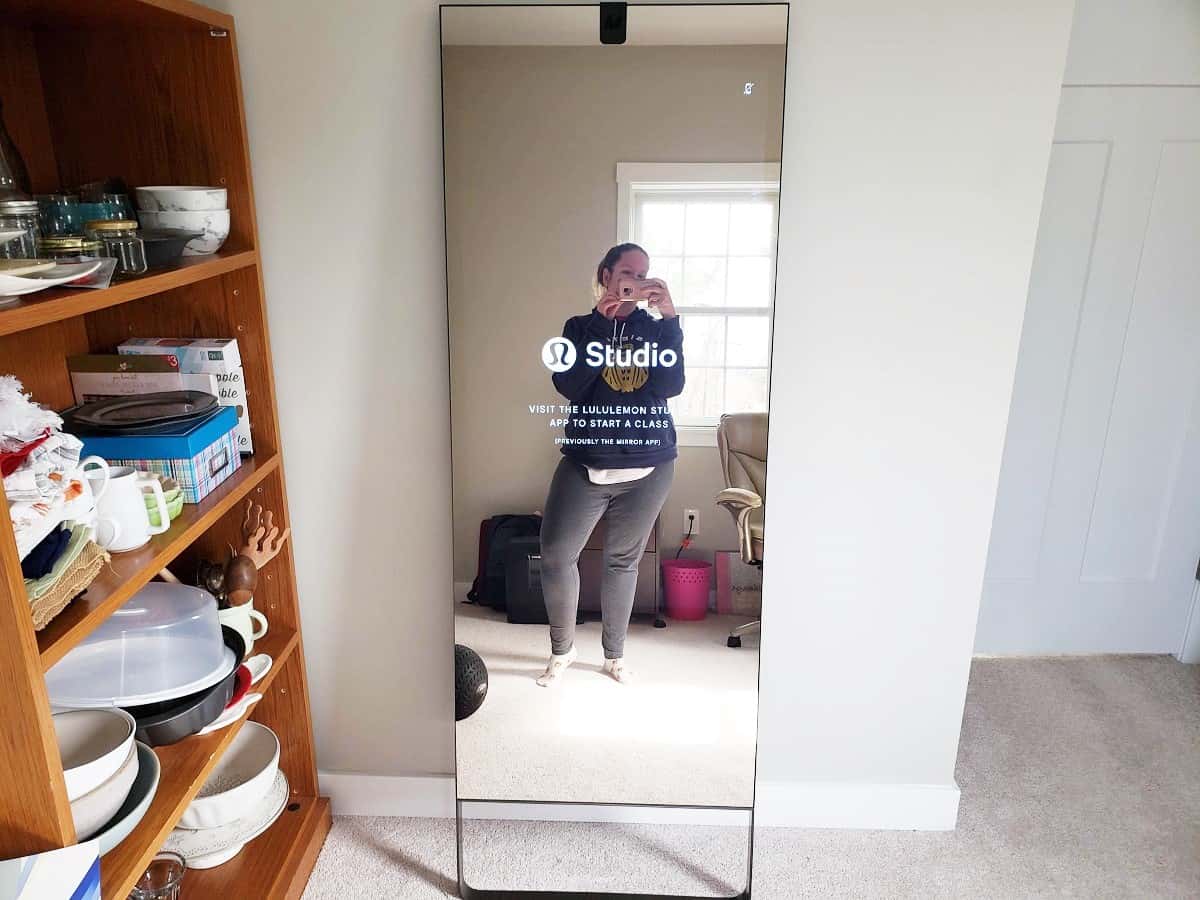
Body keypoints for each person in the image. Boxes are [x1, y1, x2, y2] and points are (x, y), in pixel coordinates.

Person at [536, 243, 684, 686]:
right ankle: (562, 650)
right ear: (605, 275)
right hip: (587, 462)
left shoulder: (656, 329)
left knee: (623, 561)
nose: (635, 282)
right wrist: (602, 322)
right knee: (557, 556)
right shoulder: (579, 327)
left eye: (643, 275)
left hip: (650, 465)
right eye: (627, 273)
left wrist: (671, 321)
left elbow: (672, 384)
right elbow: (568, 385)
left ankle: (614, 655)